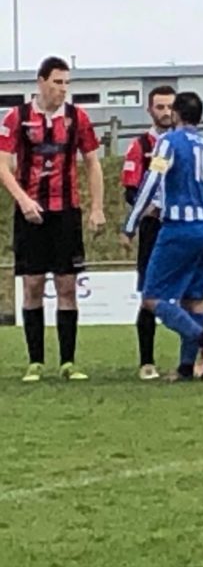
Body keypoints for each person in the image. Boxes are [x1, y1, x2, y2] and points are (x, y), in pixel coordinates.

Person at [0, 56, 106, 382]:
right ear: (41, 81)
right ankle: (35, 362)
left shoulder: (77, 118)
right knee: (32, 285)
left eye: (67, 83)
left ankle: (68, 362)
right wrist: (23, 200)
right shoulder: (17, 117)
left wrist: (97, 207)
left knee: (67, 286)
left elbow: (92, 163)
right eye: (57, 82)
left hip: (66, 213)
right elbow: (2, 164)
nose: (63, 89)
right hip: (31, 213)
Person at [122, 92, 203, 381]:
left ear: (177, 114)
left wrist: (131, 223)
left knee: (152, 297)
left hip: (180, 227)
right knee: (194, 299)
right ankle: (186, 368)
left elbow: (152, 180)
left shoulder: (167, 141)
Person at [121, 85, 177, 380]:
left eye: (170, 107)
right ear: (150, 110)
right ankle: (147, 361)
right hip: (153, 228)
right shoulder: (140, 146)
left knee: (190, 295)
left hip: (182, 225)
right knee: (149, 294)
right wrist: (146, 211)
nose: (166, 113)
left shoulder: (185, 143)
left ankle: (189, 360)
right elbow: (130, 190)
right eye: (160, 107)